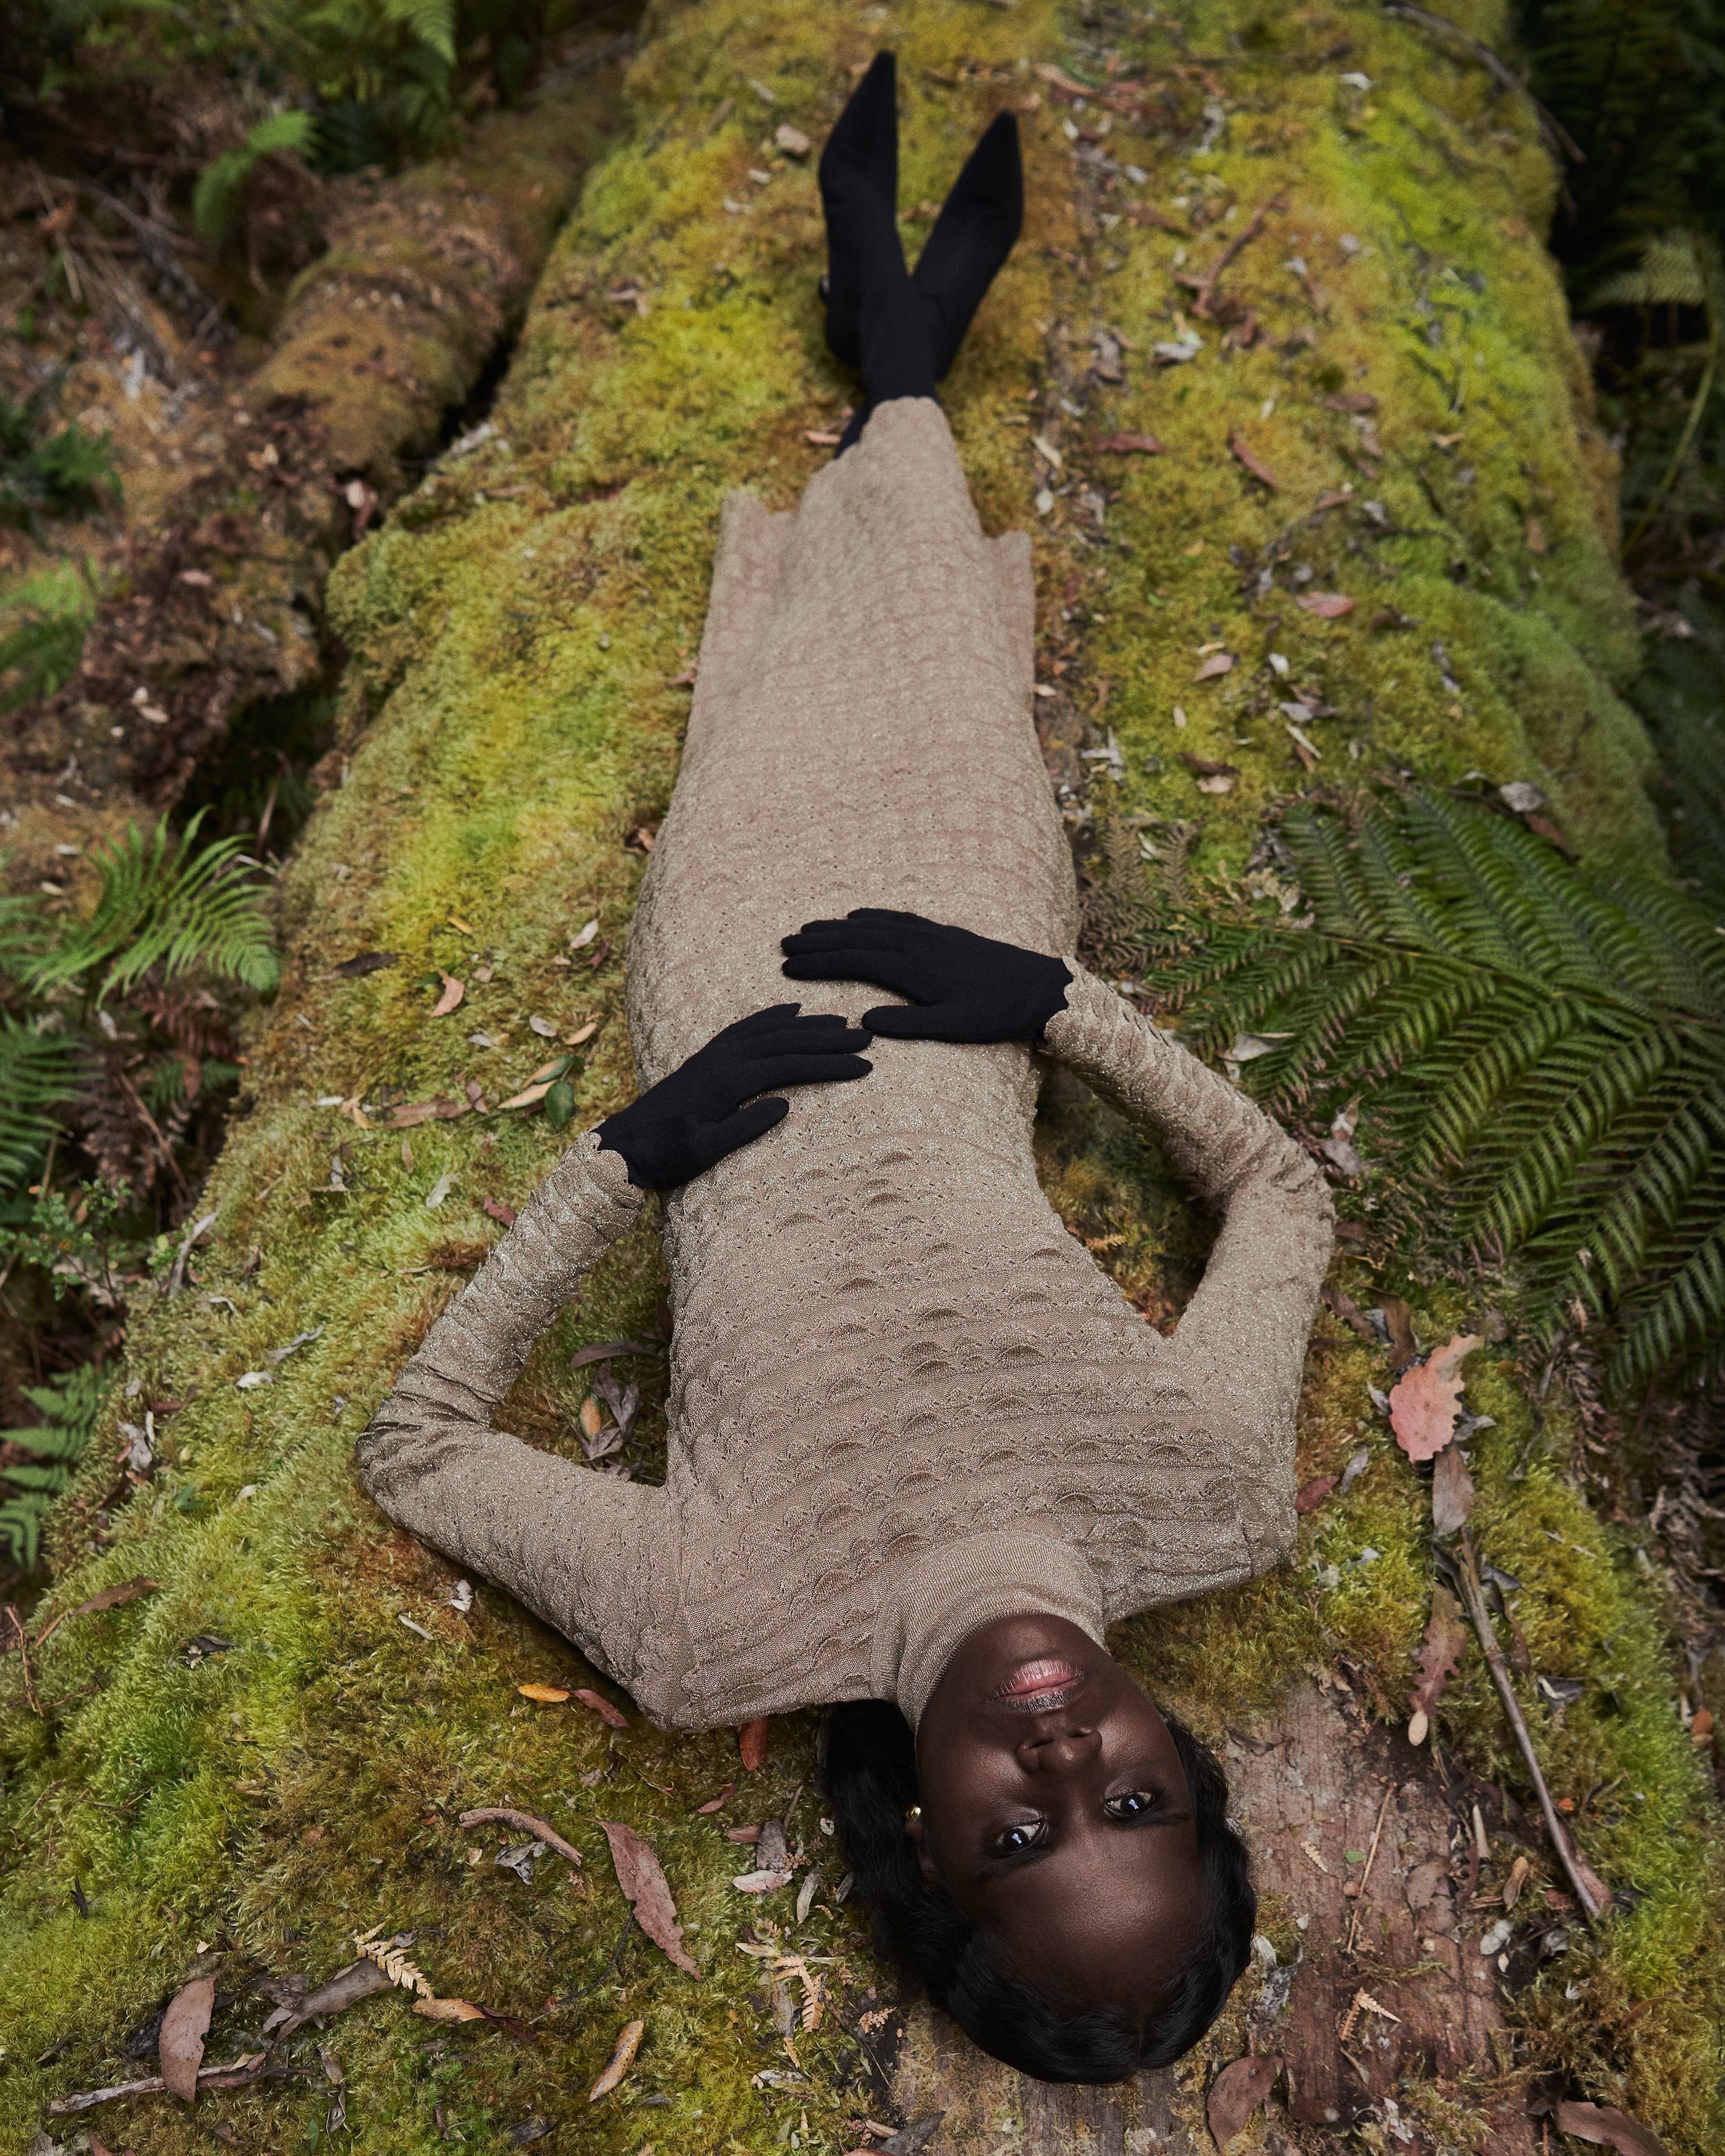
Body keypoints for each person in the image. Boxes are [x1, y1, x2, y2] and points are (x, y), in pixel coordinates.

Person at [357, 53, 1333, 2082]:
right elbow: (1279, 1192)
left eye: (1021, 1836)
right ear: (1184, 1757)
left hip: (734, 969)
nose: (1062, 1756)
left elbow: (419, 1452)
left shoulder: (712, 1632)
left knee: (799, 678)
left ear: (917, 1843)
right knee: (939, 657)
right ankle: (900, 348)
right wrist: (1046, 1001)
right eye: (1135, 1800)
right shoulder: (1215, 1496)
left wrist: (628, 1162)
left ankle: (893, 327)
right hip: (967, 937)